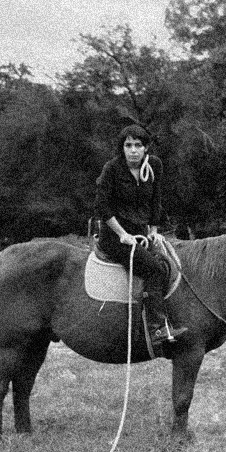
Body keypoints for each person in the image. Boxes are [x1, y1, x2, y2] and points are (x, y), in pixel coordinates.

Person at [95, 124, 187, 344]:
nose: (133, 150)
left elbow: (155, 201)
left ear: (146, 148)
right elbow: (102, 206)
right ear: (122, 148)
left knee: (168, 263)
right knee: (154, 270)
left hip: (142, 235)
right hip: (115, 237)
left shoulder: (154, 166)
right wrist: (122, 234)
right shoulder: (112, 168)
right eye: (128, 145)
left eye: (138, 145)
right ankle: (156, 329)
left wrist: (154, 231)